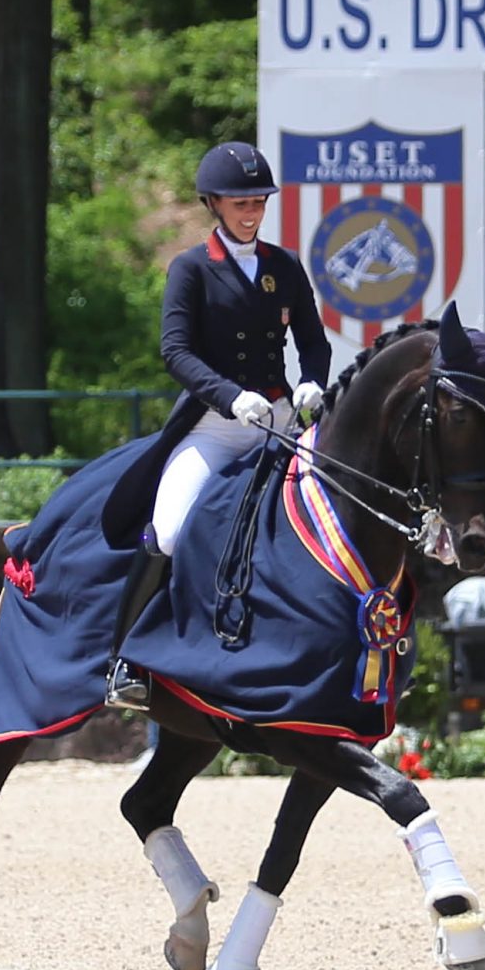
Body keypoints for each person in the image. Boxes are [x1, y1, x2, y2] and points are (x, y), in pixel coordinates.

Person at [104, 140, 332, 710]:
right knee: (174, 529)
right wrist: (231, 398)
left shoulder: (284, 266)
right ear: (213, 203)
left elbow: (313, 339)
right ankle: (124, 662)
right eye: (239, 202)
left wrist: (312, 381)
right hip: (216, 427)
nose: (251, 211)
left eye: (258, 200)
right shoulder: (190, 270)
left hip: (280, 424)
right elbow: (176, 352)